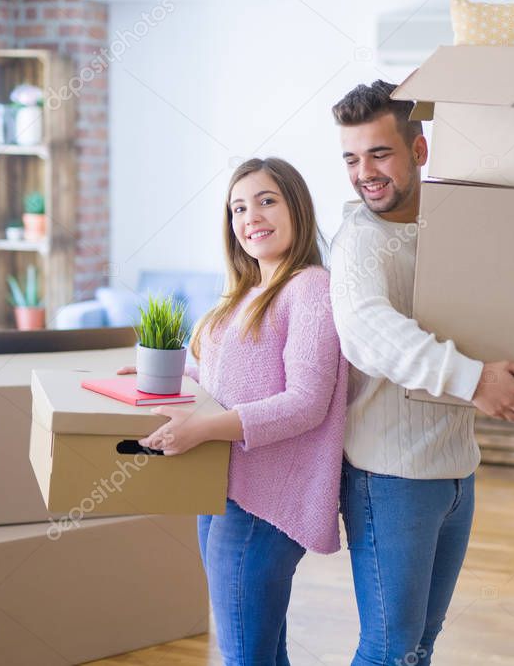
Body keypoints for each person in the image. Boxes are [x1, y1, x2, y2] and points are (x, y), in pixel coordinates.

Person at [329, 81, 514, 666]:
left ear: (418, 152)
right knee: (389, 649)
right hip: (390, 478)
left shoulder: (453, 227)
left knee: (421, 645)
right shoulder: (360, 240)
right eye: (351, 158)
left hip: (456, 470)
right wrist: (476, 380)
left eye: (379, 153)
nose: (364, 172)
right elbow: (367, 331)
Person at [119, 157, 348, 666]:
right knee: (260, 649)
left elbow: (306, 403)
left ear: (297, 207)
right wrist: (165, 378)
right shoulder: (249, 292)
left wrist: (201, 430)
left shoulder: (310, 288)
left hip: (263, 501)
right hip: (222, 487)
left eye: (267, 200)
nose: (251, 217)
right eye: (238, 208)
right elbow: (222, 381)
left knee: (245, 655)